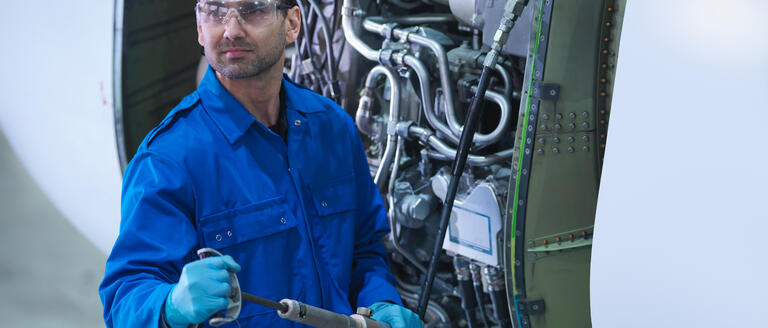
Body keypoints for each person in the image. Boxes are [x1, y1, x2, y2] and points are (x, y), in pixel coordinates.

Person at [98, 1, 424, 327]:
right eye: (215, 11)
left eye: (253, 9)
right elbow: (124, 298)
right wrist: (169, 306)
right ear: (199, 27)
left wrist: (380, 302)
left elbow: (364, 250)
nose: (231, 30)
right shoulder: (168, 159)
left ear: (292, 23)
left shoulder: (332, 127)